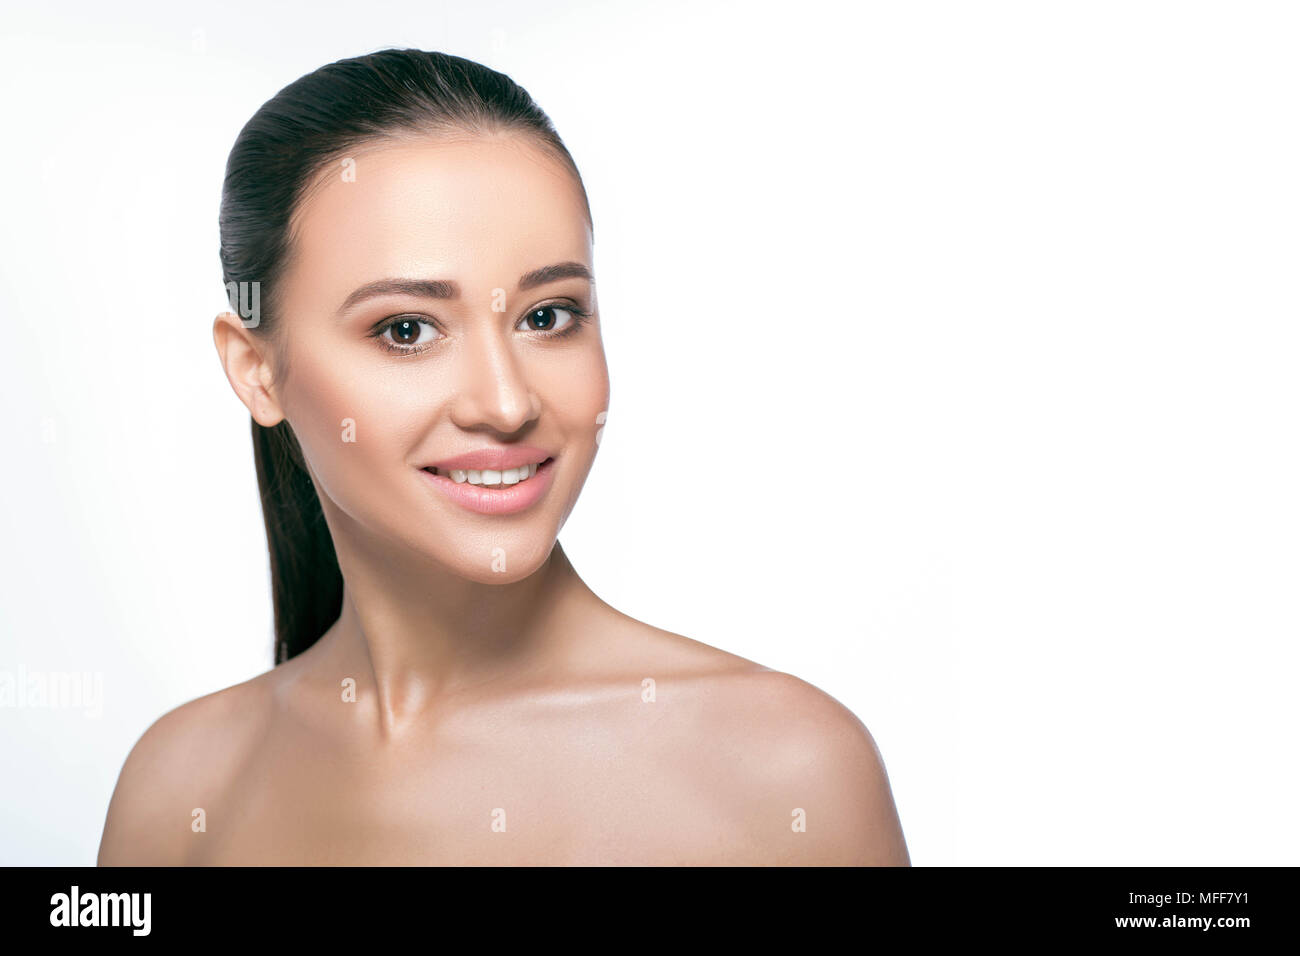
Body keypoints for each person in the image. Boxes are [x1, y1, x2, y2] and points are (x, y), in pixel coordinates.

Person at [97, 48, 909, 865]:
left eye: (548, 316)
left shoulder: (787, 774)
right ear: (256, 370)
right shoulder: (180, 790)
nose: (507, 402)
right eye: (407, 329)